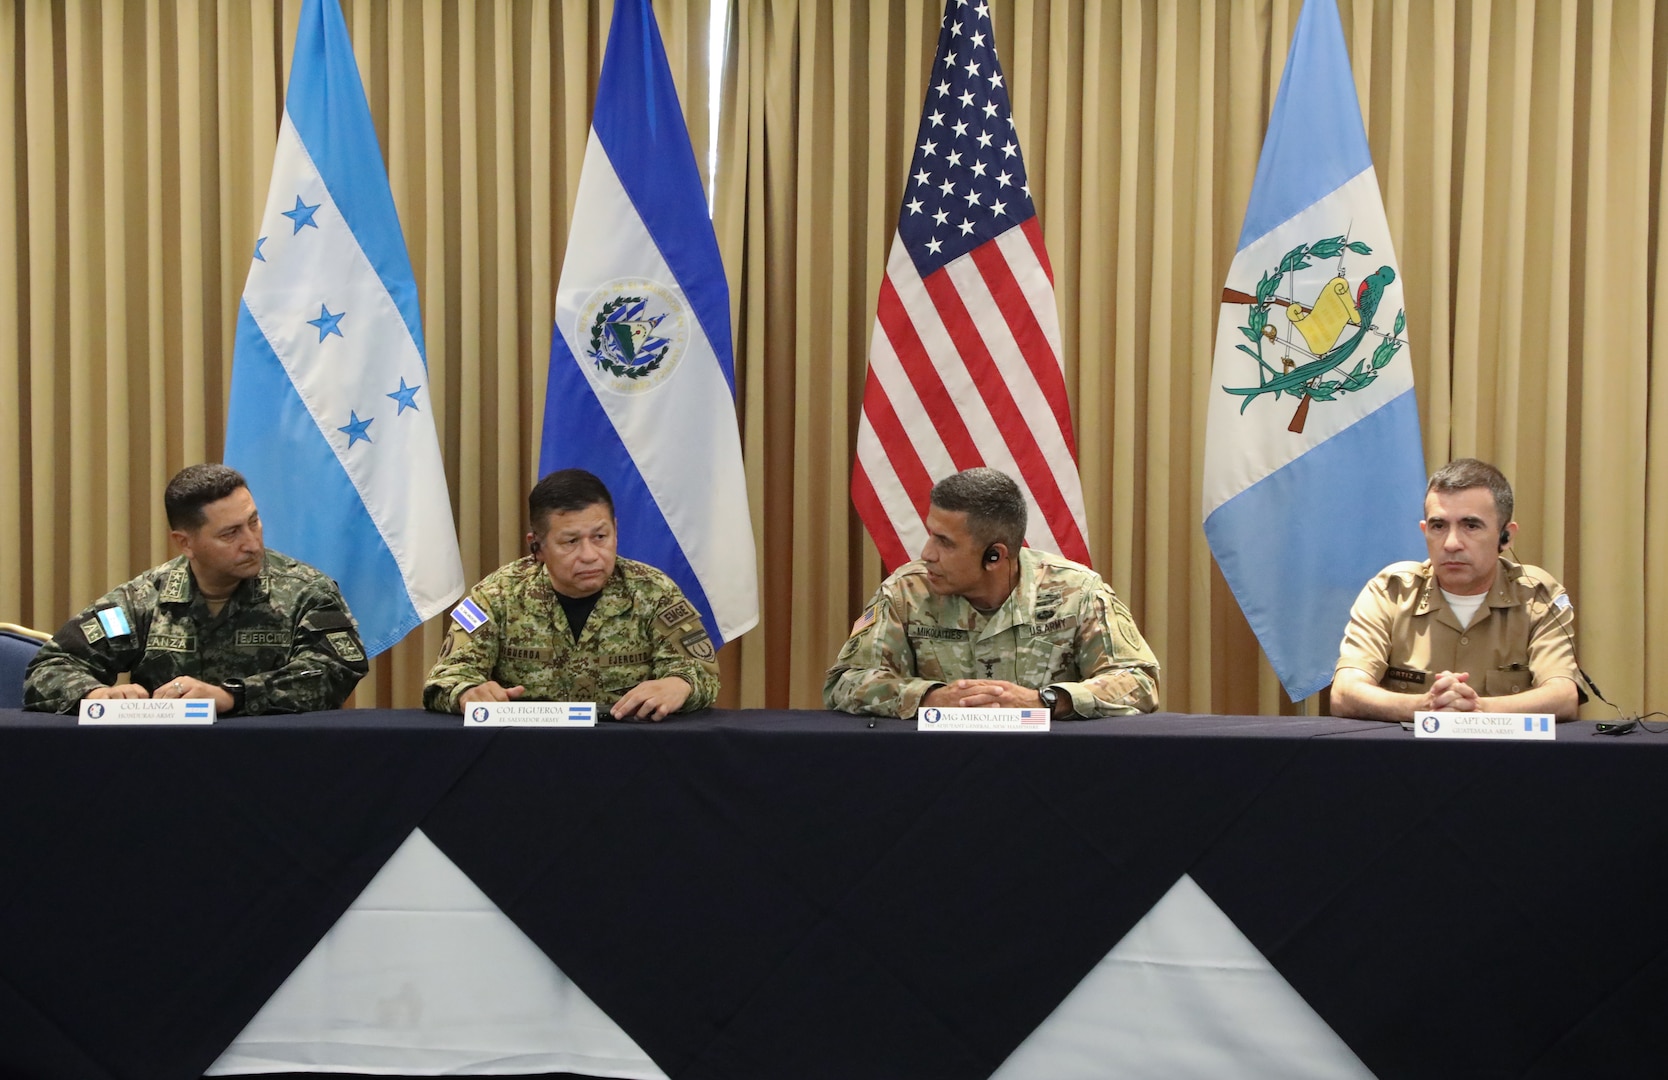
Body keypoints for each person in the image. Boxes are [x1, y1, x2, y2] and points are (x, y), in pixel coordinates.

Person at [24, 463, 368, 714]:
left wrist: (232, 696)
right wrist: (95, 694)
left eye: (254, 522)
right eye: (230, 534)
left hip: (275, 768)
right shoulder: (143, 601)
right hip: (167, 771)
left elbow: (334, 670)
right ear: (185, 543)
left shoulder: (306, 592)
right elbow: (51, 667)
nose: (252, 543)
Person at [824, 467, 1160, 719]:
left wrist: (1044, 701)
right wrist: (929, 697)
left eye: (944, 542)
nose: (927, 553)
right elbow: (846, 682)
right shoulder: (906, 591)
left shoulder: (1076, 591)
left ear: (994, 556)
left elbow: (1138, 682)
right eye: (931, 535)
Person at [424, 469, 719, 720]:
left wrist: (681, 684)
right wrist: (467, 692)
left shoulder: (654, 591)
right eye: (571, 542)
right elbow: (447, 677)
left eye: (600, 537)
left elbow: (702, 672)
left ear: (616, 530)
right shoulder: (496, 595)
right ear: (537, 546)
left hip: (629, 754)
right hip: (524, 757)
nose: (590, 555)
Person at [1332, 458, 1580, 721]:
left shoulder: (1537, 596)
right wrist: (1425, 706)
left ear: (1506, 536)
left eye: (1470, 526)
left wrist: (1475, 710)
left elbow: (1563, 697)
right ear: (1424, 531)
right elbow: (1345, 693)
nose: (1451, 543)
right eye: (1439, 526)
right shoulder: (1390, 592)